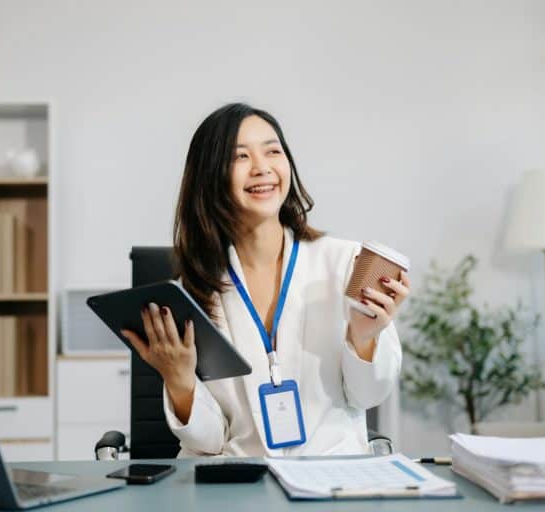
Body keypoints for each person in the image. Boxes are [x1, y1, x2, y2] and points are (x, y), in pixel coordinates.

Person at [120, 103, 410, 457]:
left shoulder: (345, 263)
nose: (262, 168)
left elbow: (369, 395)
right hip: (240, 482)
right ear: (210, 176)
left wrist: (364, 339)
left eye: (273, 151)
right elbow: (209, 442)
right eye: (240, 157)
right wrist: (179, 380)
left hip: (330, 480)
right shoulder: (196, 289)